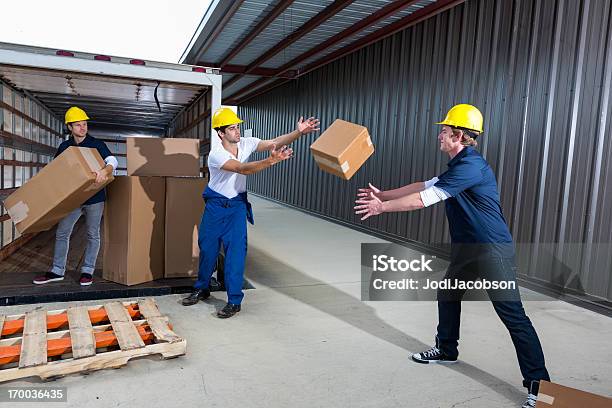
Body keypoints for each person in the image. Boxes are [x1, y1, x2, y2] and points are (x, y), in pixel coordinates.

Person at [354, 104, 549, 408]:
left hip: (491, 250)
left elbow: (424, 199)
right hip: (468, 249)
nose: (439, 136)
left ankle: (541, 386)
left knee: (513, 316)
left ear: (458, 135)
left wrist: (382, 208)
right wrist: (384, 195)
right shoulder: (458, 166)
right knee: (447, 293)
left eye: (444, 131)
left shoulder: (471, 167)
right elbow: (425, 185)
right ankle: (446, 349)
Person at [182, 107, 320, 318]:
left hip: (237, 206)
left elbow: (274, 142)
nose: (237, 131)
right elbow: (241, 169)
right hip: (216, 207)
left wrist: (298, 132)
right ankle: (202, 288)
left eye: (238, 127)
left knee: (236, 253)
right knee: (208, 250)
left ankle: (234, 300)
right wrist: (271, 161)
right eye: (232, 128)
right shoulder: (216, 155)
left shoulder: (245, 143)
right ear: (221, 133)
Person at [33, 106, 117, 286]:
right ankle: (57, 271)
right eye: (78, 125)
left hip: (94, 198)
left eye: (84, 124)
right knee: (62, 233)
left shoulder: (97, 144)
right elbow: (56, 170)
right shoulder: (65, 147)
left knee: (92, 234)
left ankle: (87, 271)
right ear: (70, 128)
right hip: (72, 200)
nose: (82, 128)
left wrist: (105, 170)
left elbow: (112, 161)